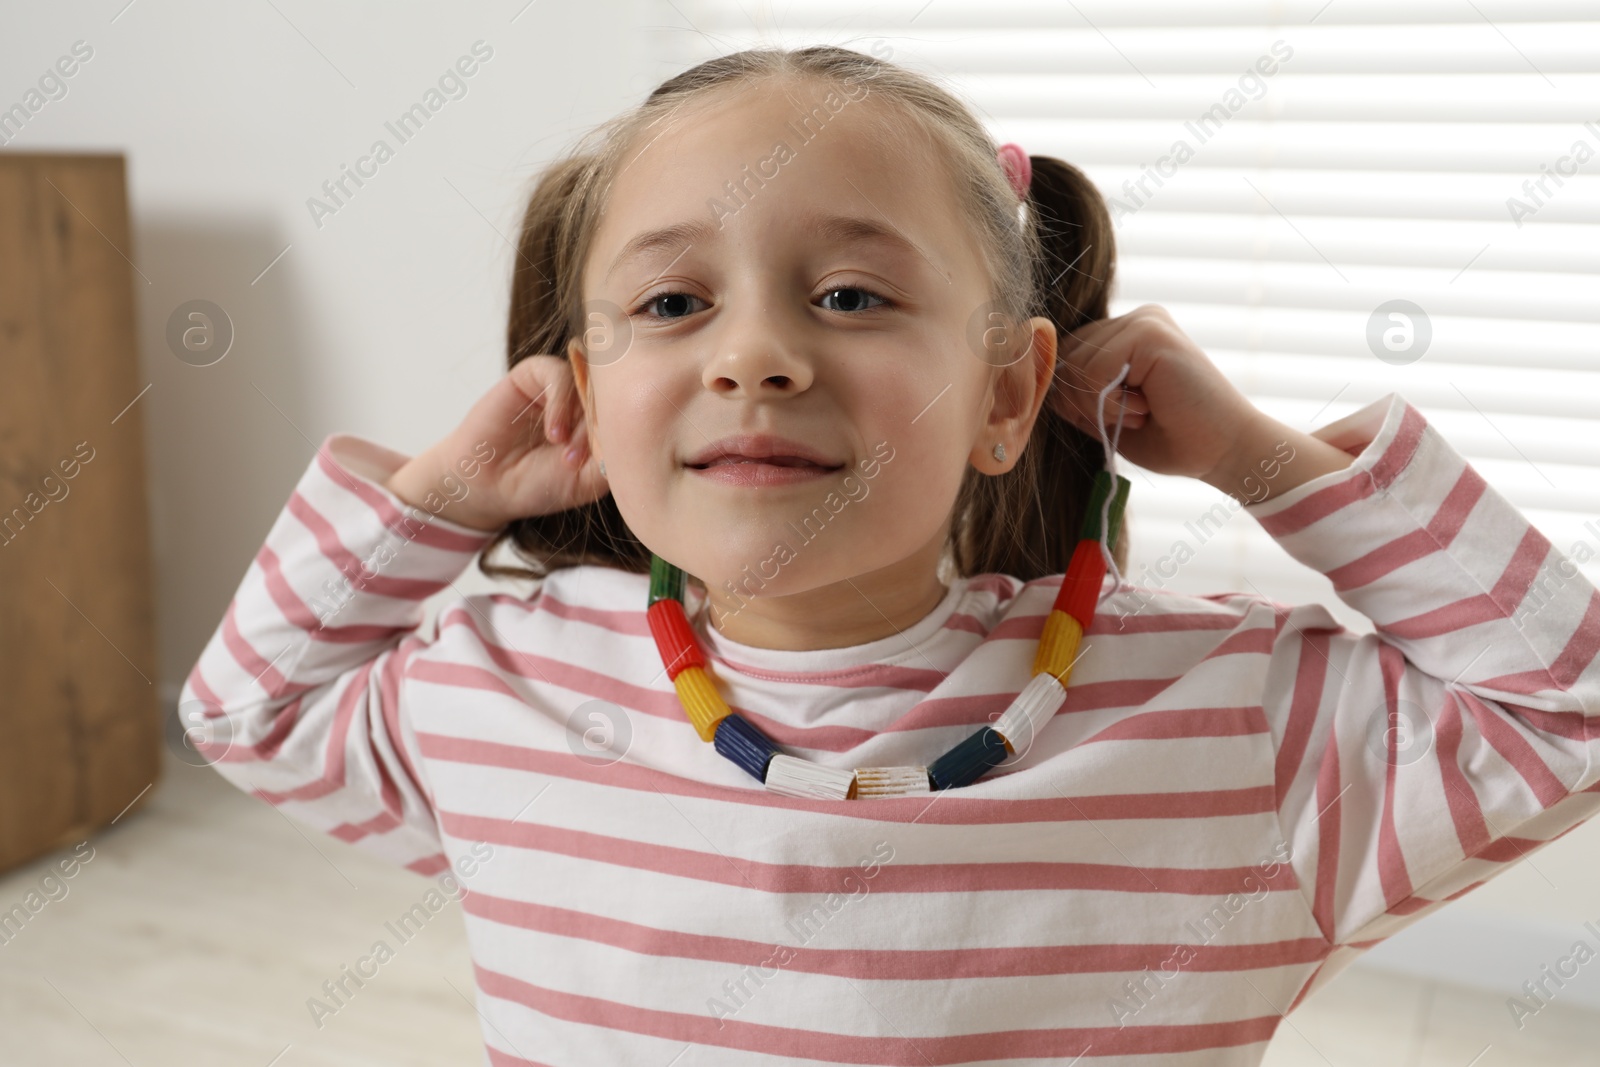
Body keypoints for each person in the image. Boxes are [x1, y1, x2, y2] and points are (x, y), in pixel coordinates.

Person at [182, 44, 1600, 1065]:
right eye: (672, 301)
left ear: (1002, 394)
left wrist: (1257, 458)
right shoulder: (512, 689)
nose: (754, 355)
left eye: (852, 293)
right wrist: (437, 494)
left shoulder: (1235, 725)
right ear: (587, 395)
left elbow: (1566, 711)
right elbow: (247, 713)